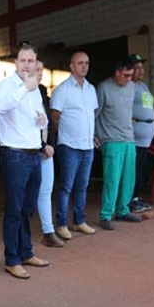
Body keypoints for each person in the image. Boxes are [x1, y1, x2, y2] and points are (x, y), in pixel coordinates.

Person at [0, 42, 49, 279]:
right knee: (14, 210)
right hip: (15, 155)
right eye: (23, 60)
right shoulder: (7, 86)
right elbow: (0, 106)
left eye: (31, 61)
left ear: (36, 63)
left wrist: (42, 120)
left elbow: (40, 117)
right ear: (15, 63)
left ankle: (26, 252)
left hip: (34, 153)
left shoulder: (35, 89)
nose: (26, 65)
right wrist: (24, 88)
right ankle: (12, 259)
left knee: (27, 208)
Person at [49, 51, 98, 240]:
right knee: (66, 186)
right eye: (80, 63)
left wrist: (92, 136)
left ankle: (79, 221)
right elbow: (55, 117)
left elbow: (90, 116)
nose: (84, 66)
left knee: (82, 186)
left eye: (87, 63)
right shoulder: (62, 90)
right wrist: (62, 137)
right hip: (69, 145)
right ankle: (61, 224)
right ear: (71, 66)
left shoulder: (91, 89)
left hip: (87, 146)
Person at [95, 58, 142, 230]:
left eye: (131, 75)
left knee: (129, 178)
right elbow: (94, 113)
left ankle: (123, 210)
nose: (129, 79)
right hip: (111, 140)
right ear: (117, 72)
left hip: (129, 138)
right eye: (126, 75)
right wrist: (93, 135)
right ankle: (106, 215)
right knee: (112, 180)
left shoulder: (131, 87)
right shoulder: (103, 88)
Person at [35, 61, 62, 248]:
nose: (40, 73)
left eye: (41, 70)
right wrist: (43, 146)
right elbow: (24, 126)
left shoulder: (41, 92)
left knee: (46, 192)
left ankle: (48, 232)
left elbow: (49, 123)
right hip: (28, 152)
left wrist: (50, 144)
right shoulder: (19, 94)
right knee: (27, 194)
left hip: (46, 151)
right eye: (36, 70)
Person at [128, 53, 154, 213]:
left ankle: (137, 197)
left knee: (143, 168)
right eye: (136, 68)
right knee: (134, 169)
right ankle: (131, 199)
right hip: (135, 136)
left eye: (141, 68)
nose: (140, 71)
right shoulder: (128, 86)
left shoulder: (143, 86)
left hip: (147, 136)